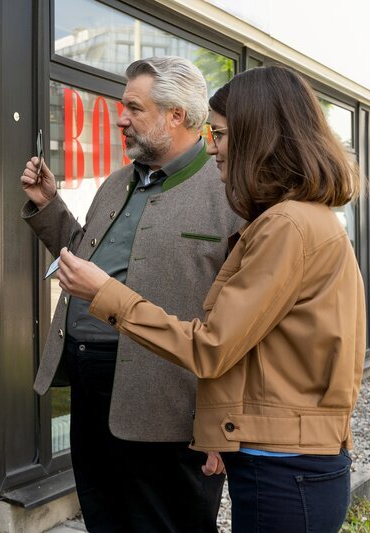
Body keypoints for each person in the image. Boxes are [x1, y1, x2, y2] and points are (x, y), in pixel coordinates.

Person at [58, 65, 364, 533]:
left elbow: (213, 346)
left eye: (219, 134)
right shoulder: (298, 219)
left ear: (258, 137)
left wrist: (106, 294)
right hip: (283, 455)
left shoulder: (285, 225)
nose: (214, 147)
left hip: (282, 464)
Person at [20, 56, 243, 532]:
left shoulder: (227, 191)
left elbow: (243, 325)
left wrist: (225, 425)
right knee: (104, 518)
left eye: (134, 108)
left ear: (176, 115)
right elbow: (85, 256)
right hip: (90, 386)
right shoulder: (117, 182)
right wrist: (49, 205)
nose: (121, 119)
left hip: (168, 403)